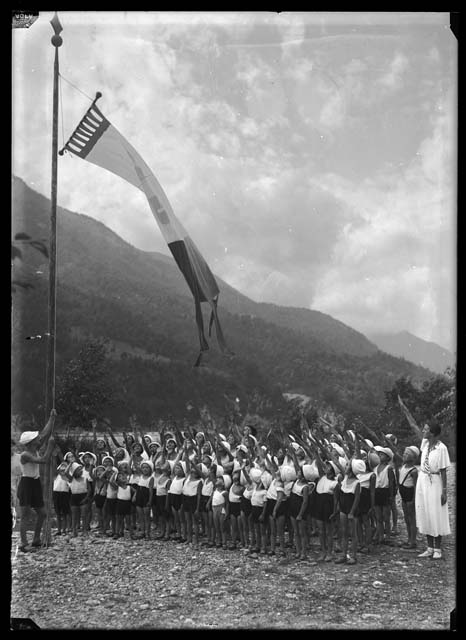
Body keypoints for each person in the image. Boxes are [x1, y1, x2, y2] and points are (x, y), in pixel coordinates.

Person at [17, 409, 57, 551]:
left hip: (34, 482)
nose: (39, 439)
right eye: (36, 439)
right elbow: (43, 460)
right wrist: (50, 447)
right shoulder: (25, 454)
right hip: (26, 484)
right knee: (25, 514)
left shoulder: (34, 447)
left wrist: (52, 418)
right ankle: (23, 543)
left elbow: (45, 434)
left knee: (43, 513)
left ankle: (36, 539)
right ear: (31, 442)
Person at [416, 420, 450, 559]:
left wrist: (444, 490)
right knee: (425, 511)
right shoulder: (424, 444)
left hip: (435, 481)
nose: (423, 431)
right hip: (423, 479)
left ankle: (437, 548)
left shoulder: (441, 448)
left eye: (426, 429)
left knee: (435, 512)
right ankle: (429, 547)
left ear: (433, 432)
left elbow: (443, 471)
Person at [397, 446, 419, 549]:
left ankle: (413, 541)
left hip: (410, 495)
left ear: (413, 457)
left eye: (407, 454)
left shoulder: (414, 471)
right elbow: (395, 451)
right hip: (403, 495)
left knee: (412, 518)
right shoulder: (403, 466)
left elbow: (415, 487)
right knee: (406, 518)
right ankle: (409, 538)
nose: (404, 455)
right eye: (404, 453)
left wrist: (414, 500)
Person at [52, 461, 71, 536]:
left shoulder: (67, 477)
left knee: (65, 513)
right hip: (56, 493)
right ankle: (59, 529)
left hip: (64, 494)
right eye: (61, 469)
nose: (62, 470)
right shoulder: (56, 476)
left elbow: (70, 485)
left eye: (64, 469)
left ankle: (64, 529)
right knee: (58, 513)